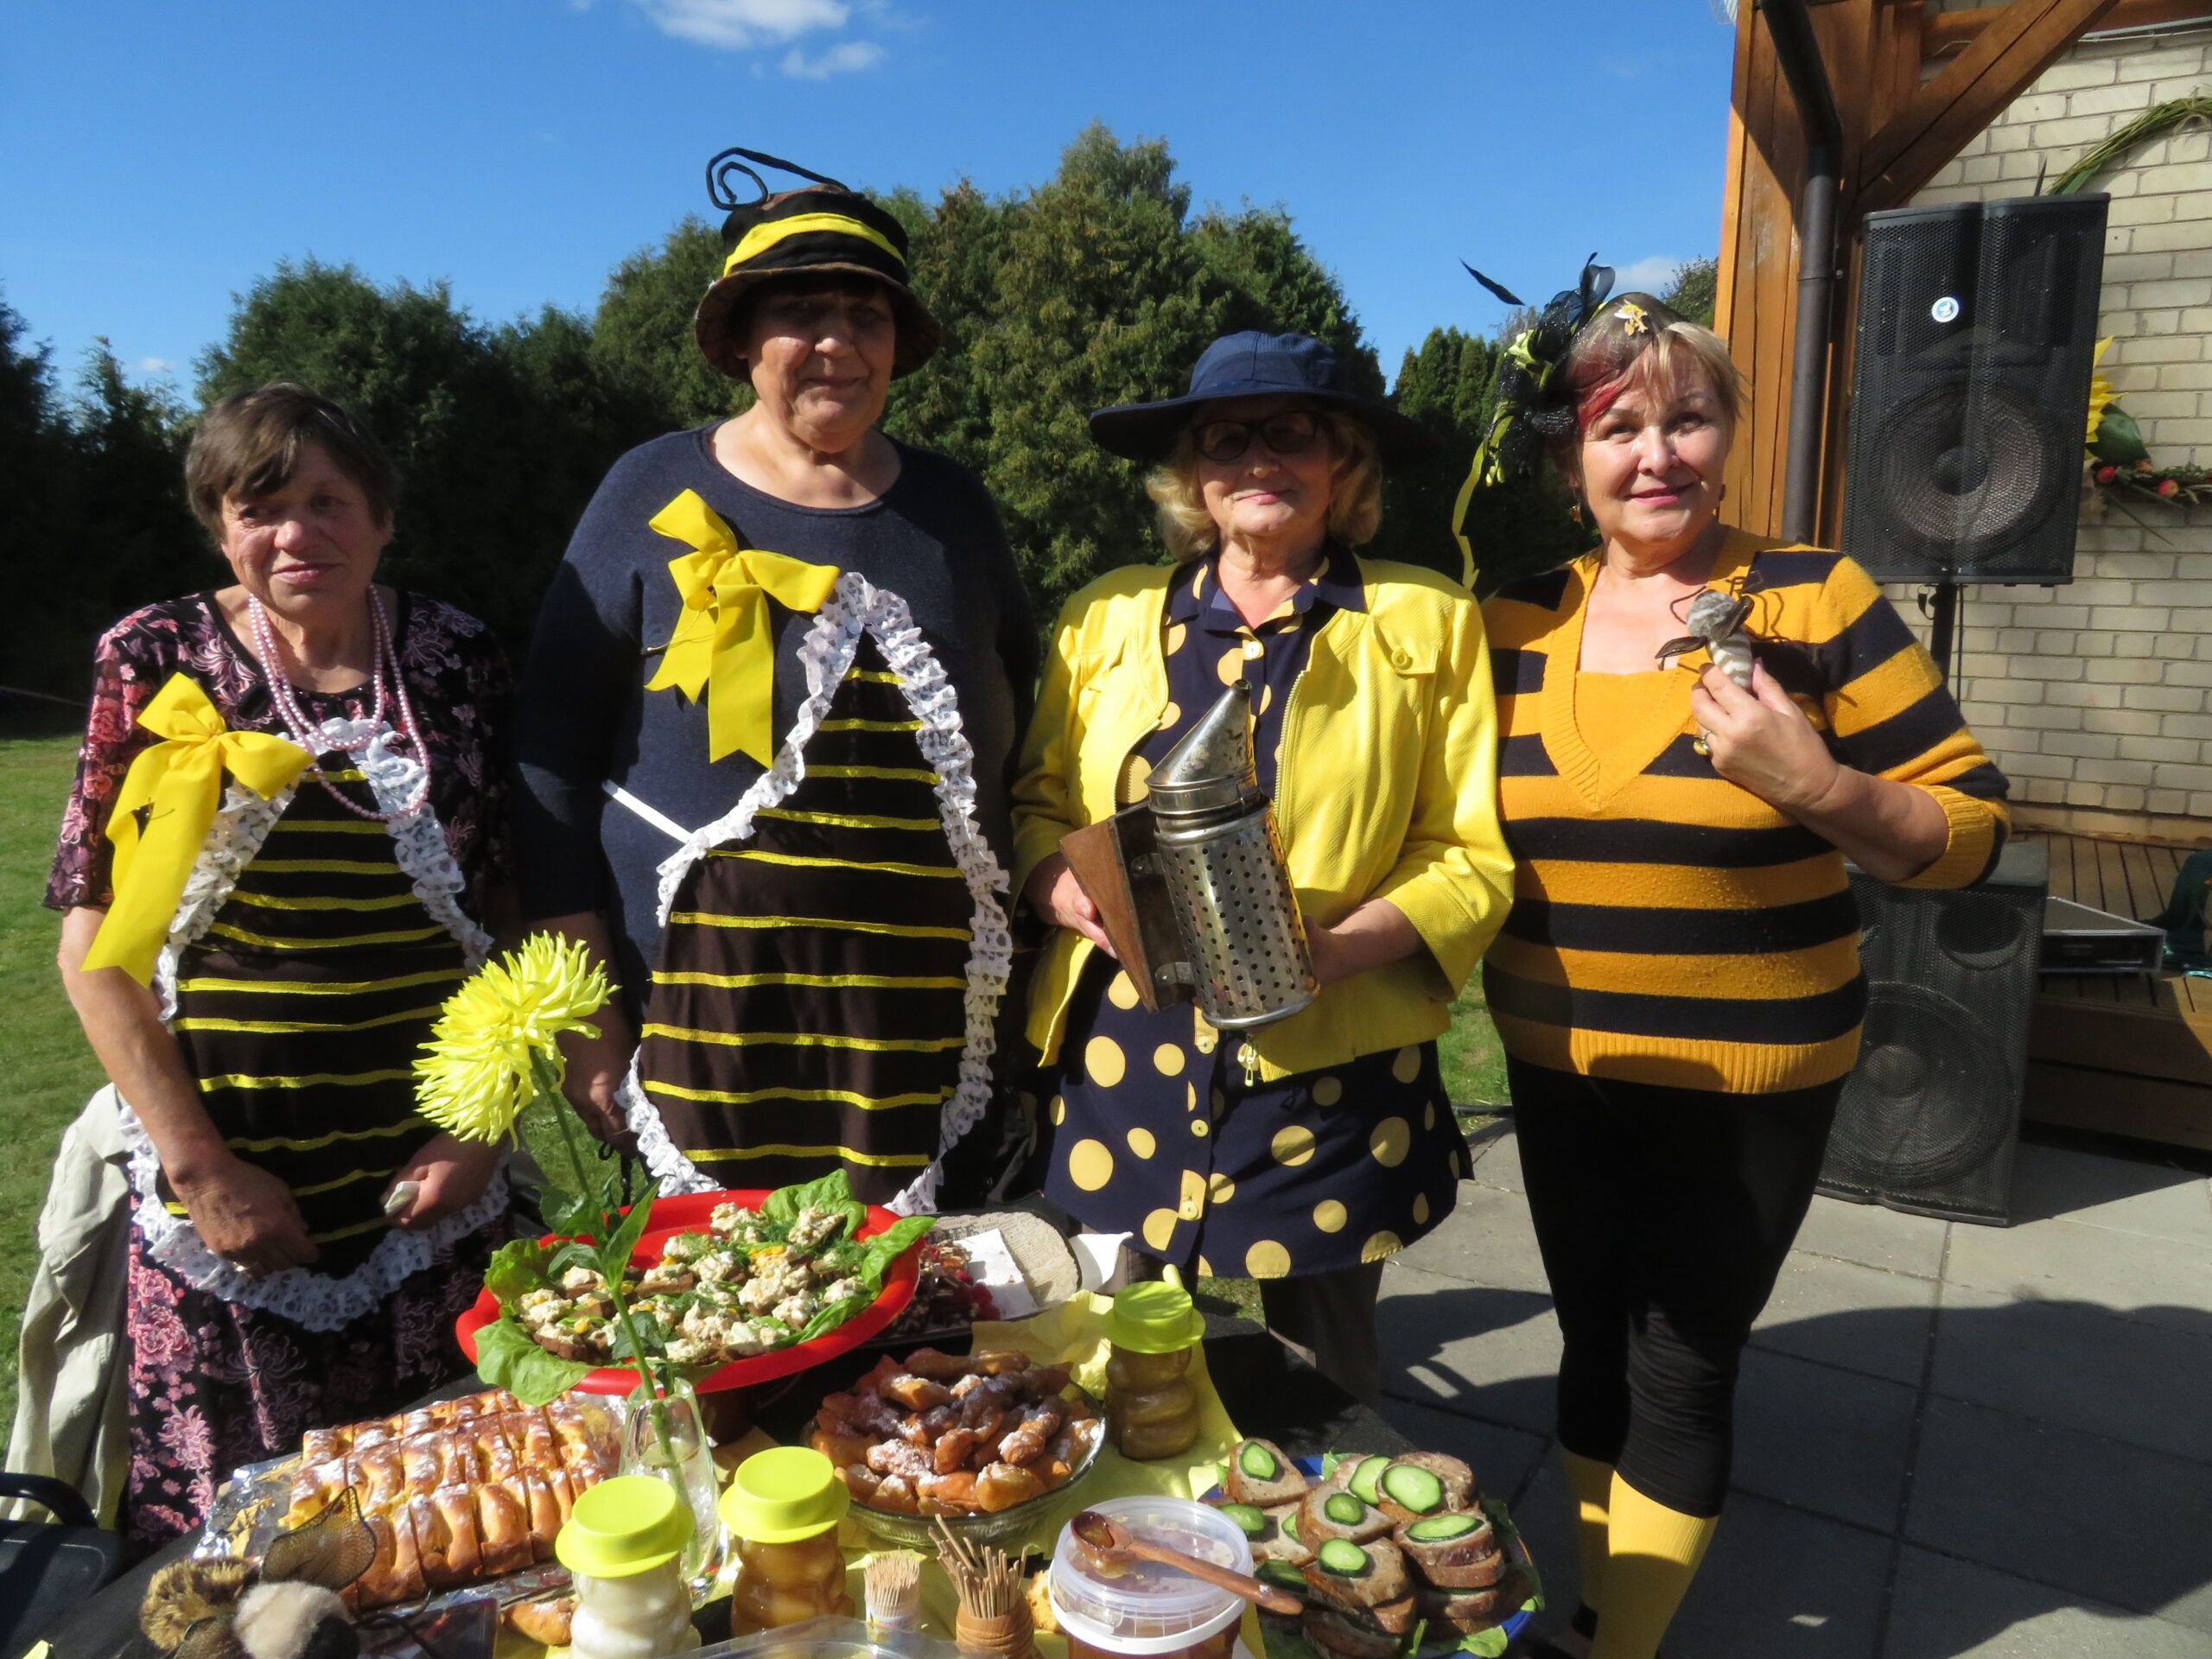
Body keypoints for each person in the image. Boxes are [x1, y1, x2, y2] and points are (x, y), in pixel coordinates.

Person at [1470, 279, 2010, 1659]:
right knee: (1591, 1335)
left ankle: (1618, 1644)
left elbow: (1970, 833)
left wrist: (1820, 786)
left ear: (1730, 434)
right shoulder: (1510, 620)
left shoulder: (1813, 596)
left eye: (1690, 419)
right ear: (1570, 459)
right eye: (1618, 428)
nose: (1657, 455)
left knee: (1682, 1363)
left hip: (1750, 1074)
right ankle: (1596, 1600)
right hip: (1563, 1061)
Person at [511, 149, 1036, 1214]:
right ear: (743, 339)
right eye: (800, 311)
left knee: (922, 1307)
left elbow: (1019, 739)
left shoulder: (952, 511)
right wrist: (587, 1016)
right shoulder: (649, 490)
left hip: (919, 1030)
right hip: (699, 1025)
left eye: (866, 315)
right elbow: (548, 762)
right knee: (725, 1302)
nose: (837, 341)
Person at [49, 383, 513, 1548]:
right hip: (230, 1218)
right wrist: (202, 1170)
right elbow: (92, 944)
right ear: (220, 528)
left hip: (436, 1204)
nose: (297, 534)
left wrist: (482, 1132)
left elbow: (517, 922)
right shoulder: (154, 657)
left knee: (463, 1529)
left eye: (327, 500)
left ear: (382, 517)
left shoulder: (456, 657)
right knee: (246, 1559)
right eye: (259, 508)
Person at [1014, 332, 1516, 1403]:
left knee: (1322, 1379)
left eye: (1291, 434)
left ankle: (1323, 1512)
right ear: (1191, 472)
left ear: (1343, 461)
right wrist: (1056, 883)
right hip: (1123, 1054)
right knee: (1112, 1355)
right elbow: (1038, 802)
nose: (1258, 460)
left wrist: (1335, 950)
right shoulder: (1105, 613)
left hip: (1327, 1061)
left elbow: (1467, 852)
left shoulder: (1426, 617)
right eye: (1225, 439)